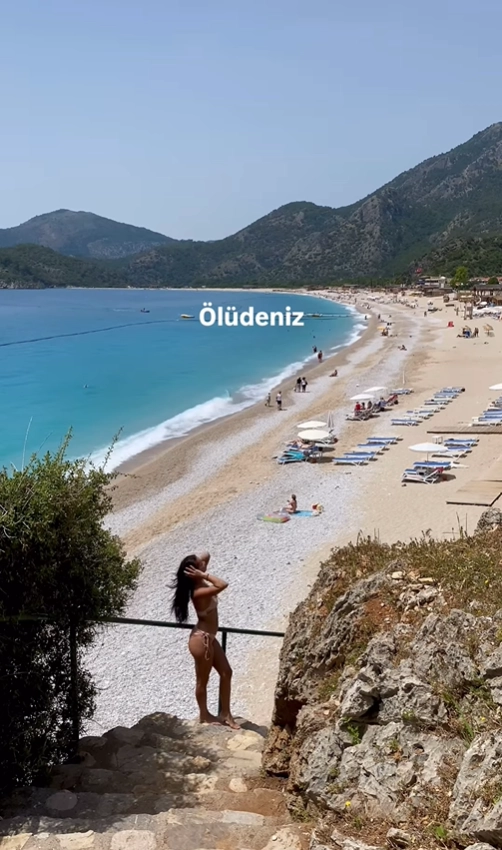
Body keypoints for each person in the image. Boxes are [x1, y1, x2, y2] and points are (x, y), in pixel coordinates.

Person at [171, 552, 239, 729]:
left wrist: (197, 568)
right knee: (203, 680)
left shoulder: (200, 583)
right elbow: (223, 584)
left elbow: (207, 554)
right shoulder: (199, 591)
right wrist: (202, 574)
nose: (204, 563)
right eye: (200, 564)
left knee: (226, 672)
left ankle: (226, 713)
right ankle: (204, 714)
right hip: (202, 640)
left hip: (210, 637)